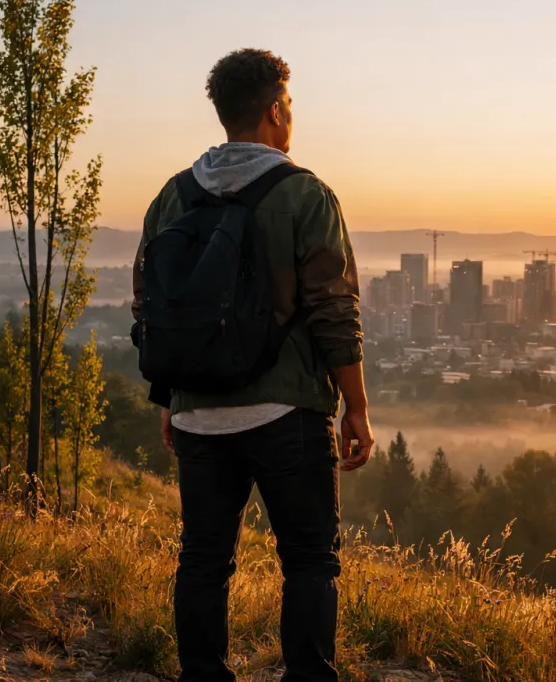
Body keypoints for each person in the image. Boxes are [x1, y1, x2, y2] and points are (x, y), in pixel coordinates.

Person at [132, 48, 374, 681]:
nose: (290, 114)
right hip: (286, 412)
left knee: (204, 561)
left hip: (197, 417)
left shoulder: (172, 196)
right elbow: (333, 308)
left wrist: (172, 398)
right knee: (309, 561)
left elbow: (153, 307)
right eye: (289, 103)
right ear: (274, 109)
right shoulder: (305, 194)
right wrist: (357, 407)